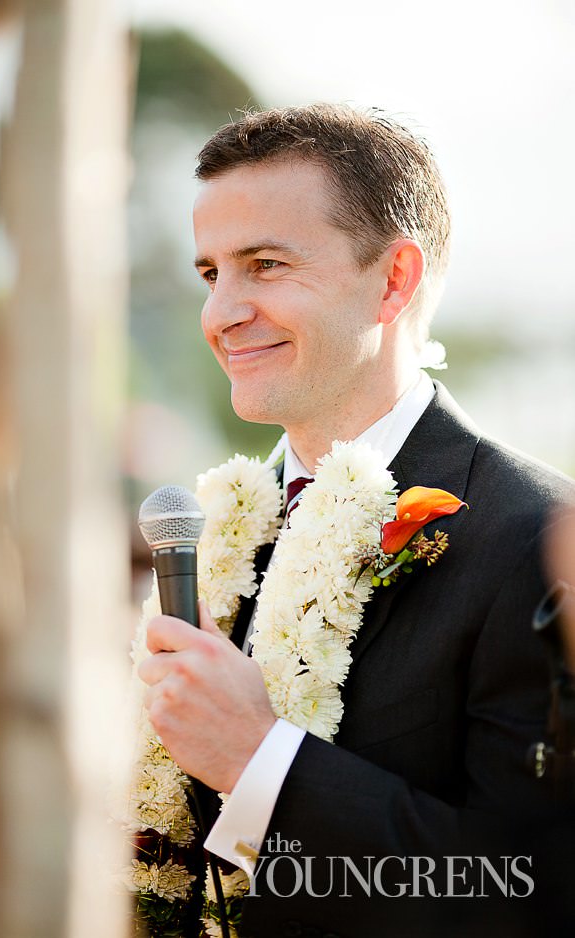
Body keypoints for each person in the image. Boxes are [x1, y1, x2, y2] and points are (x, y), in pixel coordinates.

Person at [130, 104, 575, 937]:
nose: (220, 313)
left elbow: (536, 896)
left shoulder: (534, 537)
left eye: (264, 264)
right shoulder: (216, 534)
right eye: (209, 273)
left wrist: (263, 762)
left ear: (394, 280)